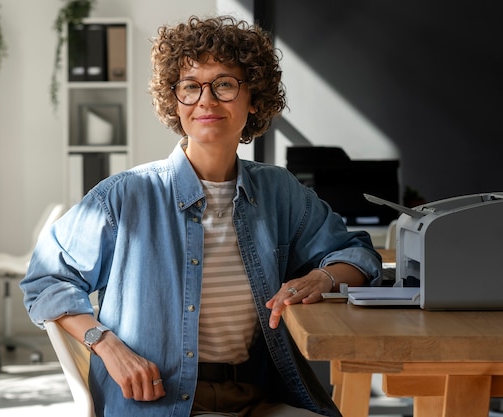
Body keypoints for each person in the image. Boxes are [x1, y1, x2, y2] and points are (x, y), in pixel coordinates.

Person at [21, 15, 381, 417]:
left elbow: (357, 254)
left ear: (255, 99)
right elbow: (45, 279)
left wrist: (322, 277)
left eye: (224, 84)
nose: (206, 100)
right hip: (162, 403)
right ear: (175, 101)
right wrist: (105, 344)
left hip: (258, 395)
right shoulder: (124, 196)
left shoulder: (280, 191)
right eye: (191, 87)